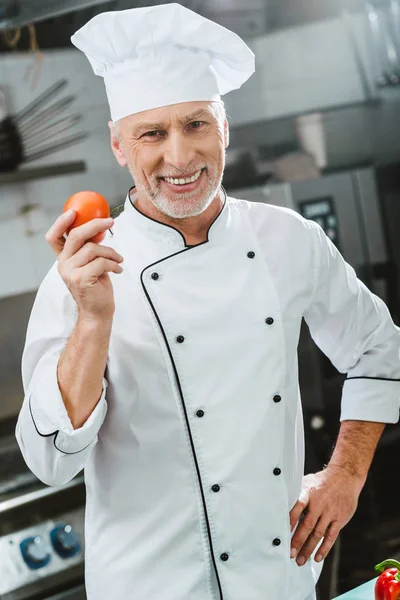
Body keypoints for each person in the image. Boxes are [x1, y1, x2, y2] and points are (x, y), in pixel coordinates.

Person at [16, 4, 400, 600]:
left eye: (196, 125)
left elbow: (379, 346)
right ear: (120, 146)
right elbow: (49, 460)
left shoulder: (287, 239)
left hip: (279, 580)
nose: (180, 157)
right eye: (152, 134)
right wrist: (93, 319)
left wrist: (346, 473)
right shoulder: (80, 275)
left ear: (224, 128)